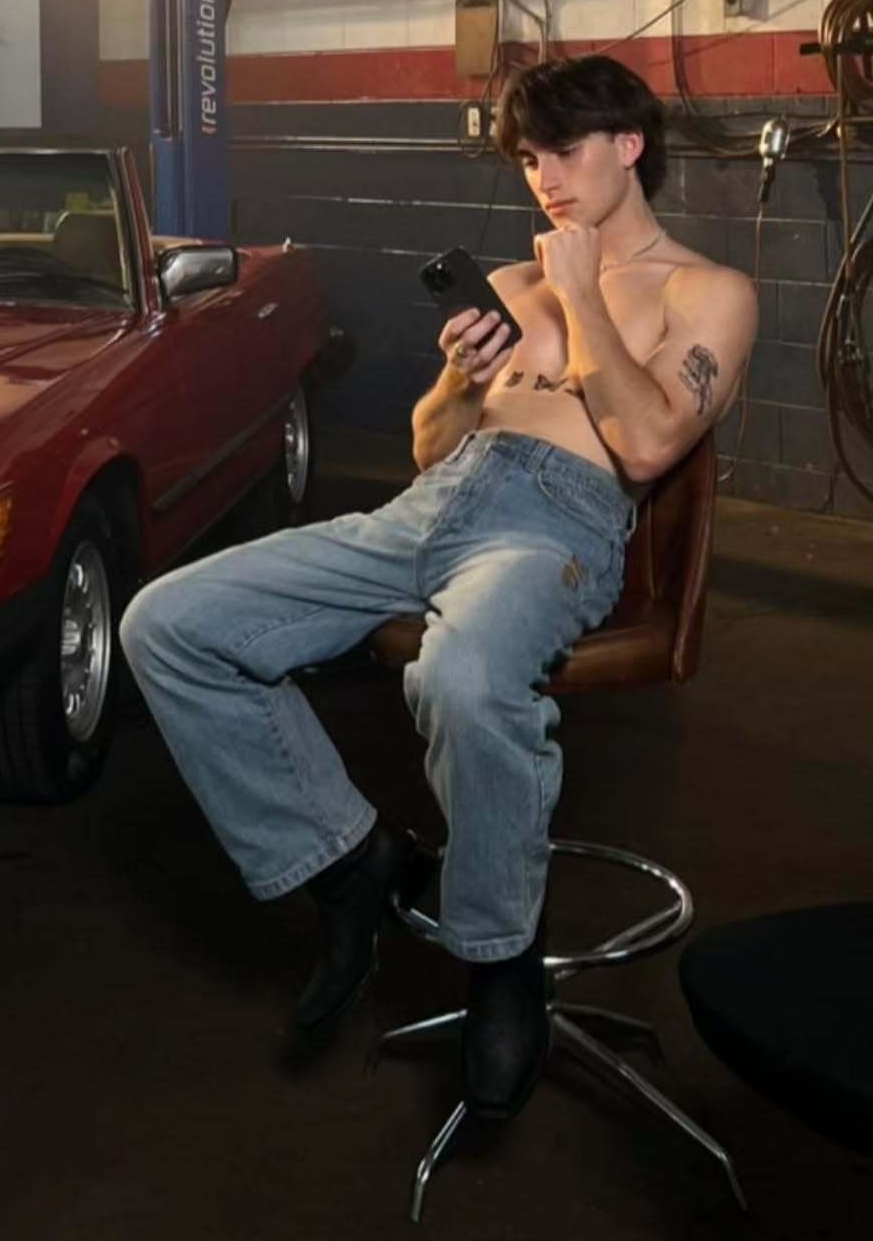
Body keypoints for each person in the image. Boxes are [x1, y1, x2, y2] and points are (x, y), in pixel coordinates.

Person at [119, 55, 759, 1119]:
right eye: (528, 159)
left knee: (461, 678)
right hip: (428, 512)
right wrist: (464, 376)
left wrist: (584, 290)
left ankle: (501, 960)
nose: (544, 178)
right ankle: (352, 865)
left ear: (629, 144)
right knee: (169, 622)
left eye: (563, 151)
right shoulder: (508, 285)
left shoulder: (709, 292)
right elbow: (428, 448)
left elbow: (648, 445)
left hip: (555, 525)